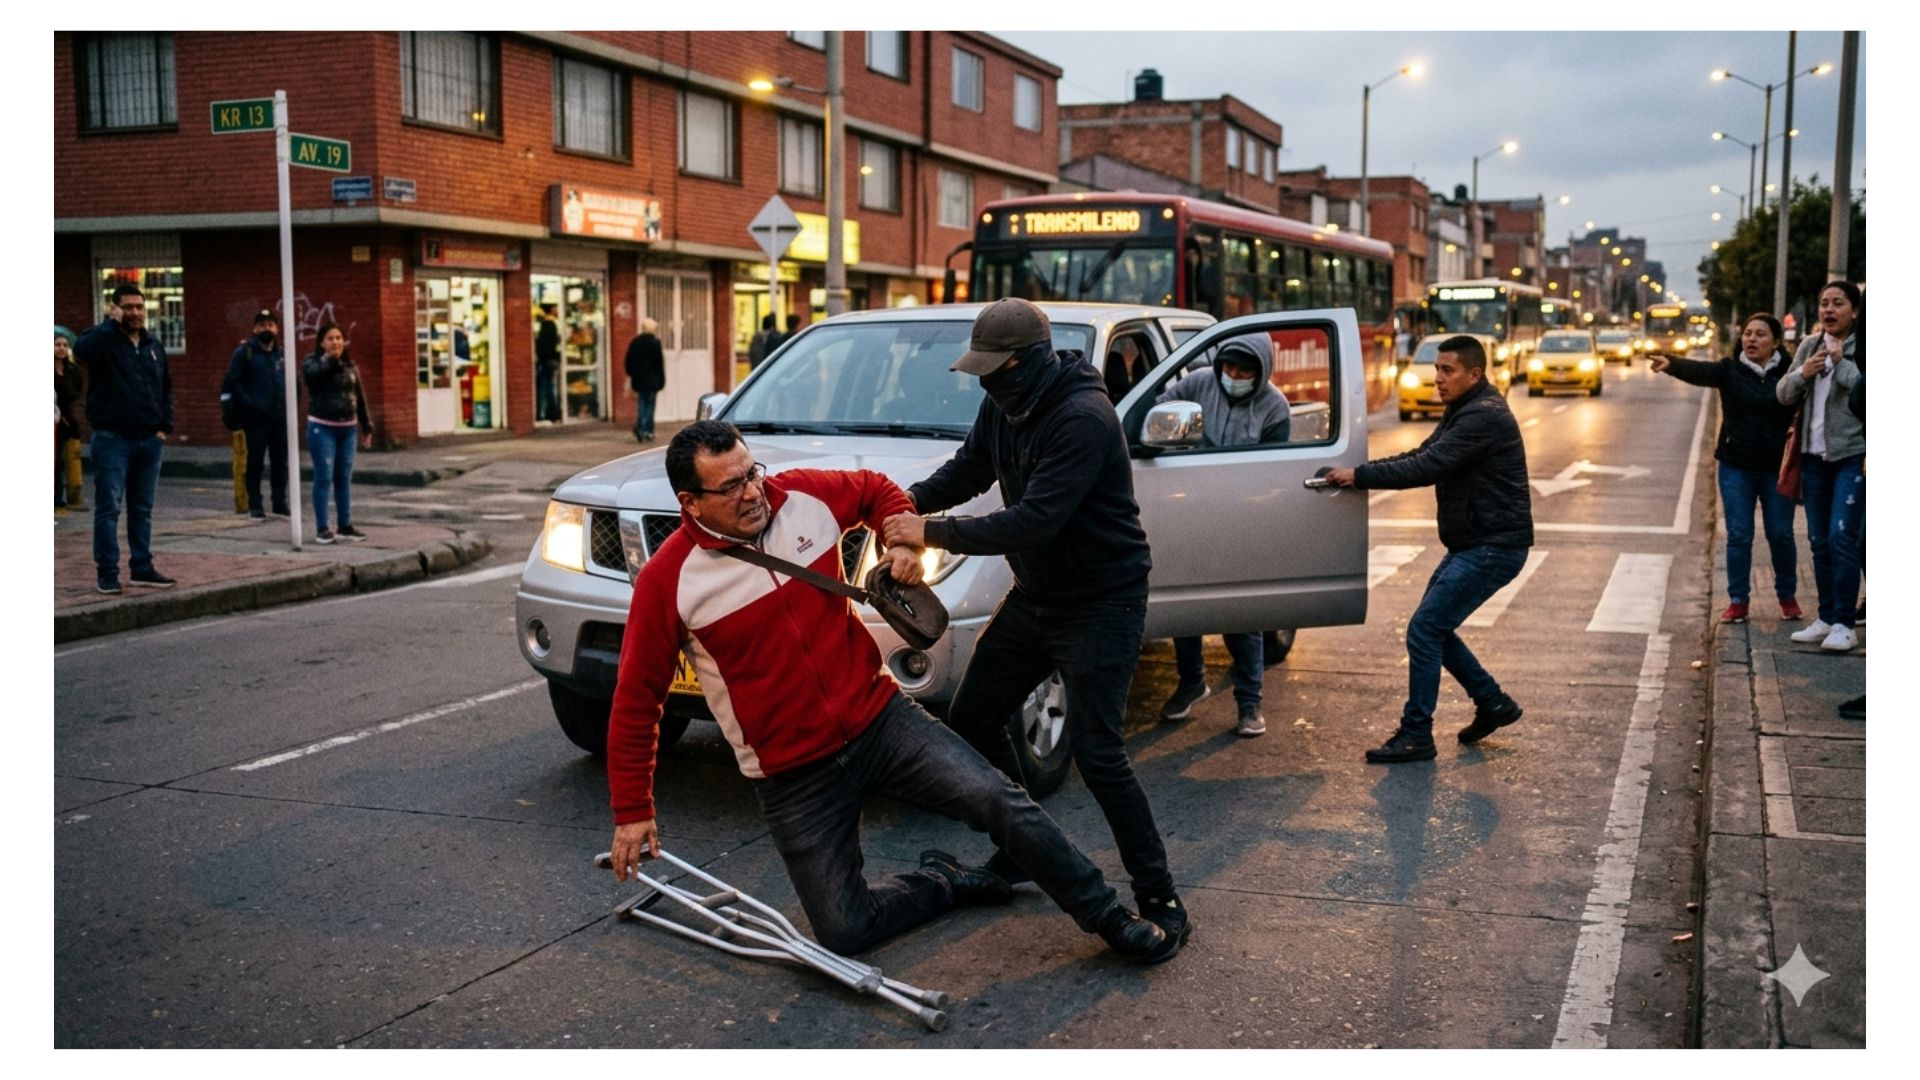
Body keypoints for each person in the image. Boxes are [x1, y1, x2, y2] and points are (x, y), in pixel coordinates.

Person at [604, 421, 1178, 964]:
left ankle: (1108, 916)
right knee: (845, 931)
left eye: (752, 472)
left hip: (880, 721)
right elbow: (637, 699)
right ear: (691, 502)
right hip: (792, 773)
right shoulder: (668, 580)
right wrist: (633, 811)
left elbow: (880, 491)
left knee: (998, 800)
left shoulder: (802, 496)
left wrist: (903, 543)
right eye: (731, 486)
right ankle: (943, 881)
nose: (755, 493)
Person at [880, 297, 1189, 955]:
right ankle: (1023, 845)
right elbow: (968, 470)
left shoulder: (1082, 416)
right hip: (1036, 594)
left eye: (995, 370)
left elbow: (1034, 521)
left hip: (1102, 600)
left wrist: (927, 531)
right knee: (972, 717)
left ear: (1027, 362)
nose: (986, 382)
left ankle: (1159, 892)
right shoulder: (1006, 403)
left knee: (1099, 754)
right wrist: (901, 506)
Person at [1325, 334, 1532, 763]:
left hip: (1493, 545)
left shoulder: (1484, 417)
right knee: (1434, 628)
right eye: (1436, 369)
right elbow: (1423, 452)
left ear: (1474, 374)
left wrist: (1360, 477)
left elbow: (1427, 466)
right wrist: (1356, 472)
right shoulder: (1465, 409)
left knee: (1424, 629)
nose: (1437, 378)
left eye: (1447, 370)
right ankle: (1493, 703)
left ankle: (1417, 733)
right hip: (1475, 542)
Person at [1155, 332, 1292, 737]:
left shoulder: (1275, 409)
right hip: (1189, 512)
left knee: (1241, 617)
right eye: (1229, 368)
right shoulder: (1198, 383)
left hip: (1241, 521)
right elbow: (1160, 410)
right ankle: (1191, 682)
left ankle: (1250, 704)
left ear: (1261, 372)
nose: (1233, 375)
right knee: (1188, 607)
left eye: (1244, 370)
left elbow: (1271, 473)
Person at [1649, 314, 1800, 623]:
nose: (1751, 339)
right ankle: (1738, 601)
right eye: (1747, 334)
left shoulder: (1790, 372)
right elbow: (1700, 371)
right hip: (1736, 466)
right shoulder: (1730, 370)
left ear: (1775, 341)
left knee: (1781, 534)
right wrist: (1671, 363)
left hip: (1776, 468)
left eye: (1760, 334)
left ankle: (1787, 597)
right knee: (1739, 534)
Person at [1777, 282, 1864, 653]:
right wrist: (1803, 373)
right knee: (1817, 540)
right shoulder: (1810, 345)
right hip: (1813, 457)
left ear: (1855, 311)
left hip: (1851, 456)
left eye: (1838, 304)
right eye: (1823, 303)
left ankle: (1846, 622)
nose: (1829, 310)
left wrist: (1841, 364)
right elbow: (1782, 393)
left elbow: (1866, 391)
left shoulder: (1865, 347)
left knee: (1841, 538)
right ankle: (1826, 617)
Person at [74, 283, 175, 595]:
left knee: (142, 509)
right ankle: (107, 572)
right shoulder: (103, 340)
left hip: (149, 440)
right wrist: (110, 325)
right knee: (109, 508)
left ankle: (142, 567)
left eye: (139, 307)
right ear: (115, 309)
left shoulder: (153, 346)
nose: (135, 313)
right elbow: (81, 351)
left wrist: (164, 427)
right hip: (112, 439)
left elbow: (166, 389)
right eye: (128, 307)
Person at [302, 323, 373, 545]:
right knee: (324, 476)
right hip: (322, 427)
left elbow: (359, 397)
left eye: (339, 338)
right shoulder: (312, 363)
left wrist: (366, 426)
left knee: (343, 478)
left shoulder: (350, 366)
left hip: (348, 429)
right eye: (330, 338)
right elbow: (312, 379)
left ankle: (345, 525)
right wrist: (330, 360)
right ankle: (322, 528)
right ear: (322, 342)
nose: (336, 342)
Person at [222, 309, 291, 520]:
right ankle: (255, 503)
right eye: (262, 325)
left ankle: (279, 502)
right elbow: (234, 381)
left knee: (280, 462)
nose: (266, 329)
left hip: (278, 416)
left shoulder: (282, 353)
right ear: (254, 329)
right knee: (256, 461)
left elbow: (292, 381)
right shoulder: (245, 352)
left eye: (270, 325)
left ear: (277, 328)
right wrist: (249, 404)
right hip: (256, 418)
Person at [55, 326, 85, 512]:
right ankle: (56, 496)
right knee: (55, 460)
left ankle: (71, 494)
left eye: (64, 345)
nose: (61, 348)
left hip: (68, 420)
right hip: (54, 419)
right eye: (57, 344)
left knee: (69, 459)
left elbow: (78, 391)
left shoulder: (73, 369)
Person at [624, 317, 666, 443]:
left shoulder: (635, 342)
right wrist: (661, 380)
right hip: (652, 380)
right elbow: (659, 363)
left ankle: (640, 428)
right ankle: (648, 430)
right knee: (650, 405)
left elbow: (628, 361)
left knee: (641, 404)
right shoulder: (655, 342)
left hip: (639, 380)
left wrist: (632, 374)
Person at [535, 305, 562, 422]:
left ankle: (548, 412)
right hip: (551, 359)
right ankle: (551, 412)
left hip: (546, 360)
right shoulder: (552, 325)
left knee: (546, 387)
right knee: (550, 386)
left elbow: (542, 345)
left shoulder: (546, 326)